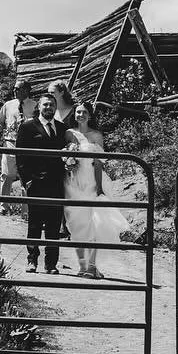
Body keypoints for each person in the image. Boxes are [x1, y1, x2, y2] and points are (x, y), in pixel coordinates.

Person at [63, 100, 130, 279]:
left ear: (90, 115)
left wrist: (99, 188)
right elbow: (65, 157)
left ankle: (92, 266)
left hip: (91, 181)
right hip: (73, 183)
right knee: (76, 226)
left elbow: (99, 163)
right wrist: (68, 164)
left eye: (84, 112)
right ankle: (82, 266)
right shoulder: (69, 134)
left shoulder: (96, 135)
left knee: (93, 226)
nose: (80, 115)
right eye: (78, 112)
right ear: (74, 115)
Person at [15, 93, 70, 274]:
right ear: (39, 106)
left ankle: (51, 264)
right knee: (35, 224)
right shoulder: (27, 127)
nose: (49, 108)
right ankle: (32, 260)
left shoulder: (62, 129)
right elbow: (21, 157)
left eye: (52, 105)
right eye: (45, 105)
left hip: (56, 183)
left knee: (54, 225)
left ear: (55, 108)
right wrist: (27, 181)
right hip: (36, 183)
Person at [0, 79, 37, 197]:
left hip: (27, 146)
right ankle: (3, 206)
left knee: (26, 178)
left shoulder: (35, 106)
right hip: (10, 143)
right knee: (6, 175)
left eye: (18, 88)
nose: (14, 90)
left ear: (26, 90)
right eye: (14, 88)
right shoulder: (8, 105)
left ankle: (26, 210)